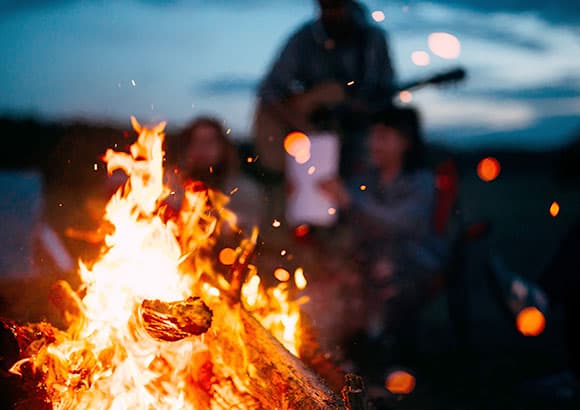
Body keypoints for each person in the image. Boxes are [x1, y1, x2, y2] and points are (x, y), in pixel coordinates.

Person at [320, 106, 448, 381]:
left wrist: (350, 202)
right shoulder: (363, 181)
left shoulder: (421, 181)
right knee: (345, 276)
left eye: (383, 137)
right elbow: (345, 220)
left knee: (389, 271)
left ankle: (400, 360)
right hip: (370, 259)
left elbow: (399, 224)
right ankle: (352, 355)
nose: (373, 144)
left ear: (404, 141)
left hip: (413, 261)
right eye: (372, 136)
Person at [255, 0, 397, 178]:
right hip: (314, 136)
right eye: (325, 7)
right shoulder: (304, 39)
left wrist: (363, 108)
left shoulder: (372, 39)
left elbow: (384, 90)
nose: (330, 13)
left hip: (356, 132)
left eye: (335, 6)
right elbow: (269, 90)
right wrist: (303, 125)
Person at [170, 117, 264, 234]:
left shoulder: (244, 191)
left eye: (209, 142)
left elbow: (248, 234)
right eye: (196, 141)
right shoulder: (168, 187)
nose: (202, 148)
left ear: (223, 148)